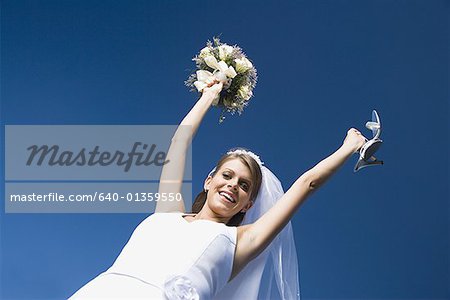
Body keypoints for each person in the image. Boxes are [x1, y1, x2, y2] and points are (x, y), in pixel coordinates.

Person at [70, 81, 366, 299]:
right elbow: (179, 143)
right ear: (209, 180)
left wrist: (348, 148)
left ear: (248, 204)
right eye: (227, 175)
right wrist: (209, 96)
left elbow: (307, 183)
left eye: (244, 185)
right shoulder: (166, 213)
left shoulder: (241, 241)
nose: (232, 186)